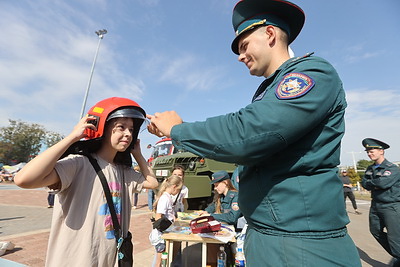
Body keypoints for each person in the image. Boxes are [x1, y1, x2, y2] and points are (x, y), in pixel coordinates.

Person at [146, 0, 361, 265]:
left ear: (269, 34)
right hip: (270, 235)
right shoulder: (269, 91)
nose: (239, 55)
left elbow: (249, 131)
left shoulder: (313, 72)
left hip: (300, 243)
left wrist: (178, 129)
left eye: (244, 45)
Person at [14, 97, 158, 267]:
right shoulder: (78, 164)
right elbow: (23, 179)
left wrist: (138, 154)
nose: (128, 133)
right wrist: (73, 137)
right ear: (102, 128)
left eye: (132, 130)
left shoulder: (123, 171)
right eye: (121, 127)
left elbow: (152, 183)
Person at [361, 138, 400, 266]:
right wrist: (374, 184)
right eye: (367, 151)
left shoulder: (392, 168)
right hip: (375, 205)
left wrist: (372, 184)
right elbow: (364, 184)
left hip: (391, 206)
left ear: (381, 151)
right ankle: (397, 255)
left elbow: (383, 183)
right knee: (375, 231)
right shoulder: (370, 168)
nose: (369, 154)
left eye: (371, 151)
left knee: (394, 237)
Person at [151, 175, 183, 267]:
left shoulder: (167, 197)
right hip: (161, 236)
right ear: (174, 187)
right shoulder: (164, 198)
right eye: (178, 189)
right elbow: (158, 217)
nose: (177, 192)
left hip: (164, 234)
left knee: (164, 261)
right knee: (159, 262)